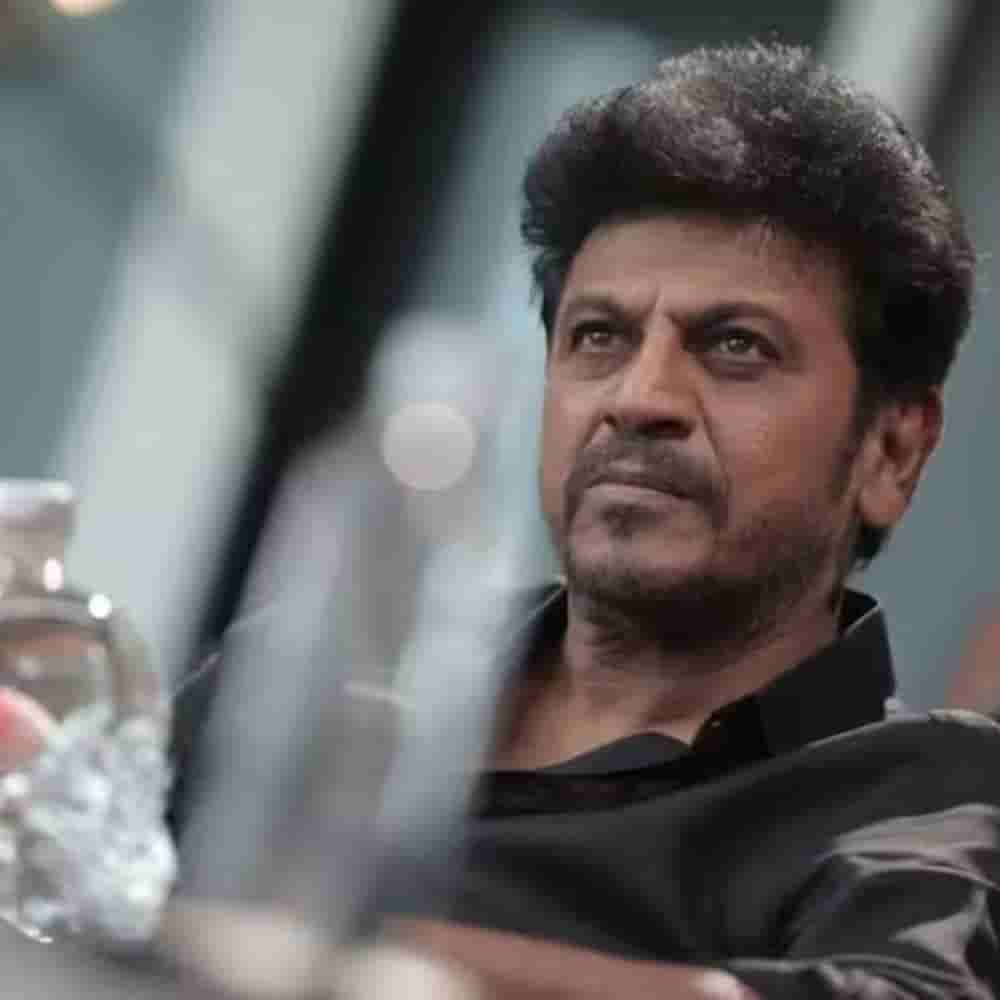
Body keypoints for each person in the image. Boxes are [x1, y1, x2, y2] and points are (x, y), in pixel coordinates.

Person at [170, 39, 998, 999]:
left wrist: (365, 966)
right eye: (600, 337)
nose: (640, 398)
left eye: (736, 346)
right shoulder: (342, 675)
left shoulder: (926, 797)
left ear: (892, 452)